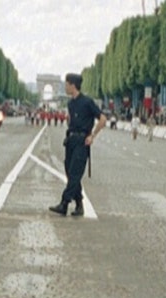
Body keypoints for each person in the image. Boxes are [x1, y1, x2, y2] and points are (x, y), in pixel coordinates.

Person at [49, 72, 106, 217]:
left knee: (74, 174)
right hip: (71, 141)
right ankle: (79, 205)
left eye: (66, 84)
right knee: (70, 173)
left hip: (82, 141)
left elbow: (103, 119)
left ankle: (64, 203)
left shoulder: (87, 102)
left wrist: (92, 136)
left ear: (72, 85)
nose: (65, 87)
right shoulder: (70, 103)